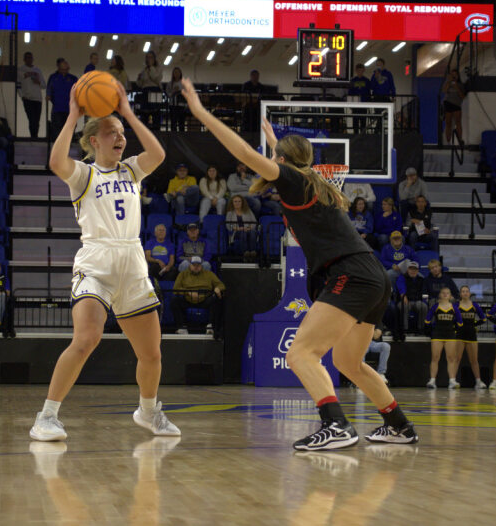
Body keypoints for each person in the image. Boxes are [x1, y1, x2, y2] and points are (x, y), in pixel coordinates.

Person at [181, 79, 418, 449]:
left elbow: (243, 152)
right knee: (348, 363)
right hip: (374, 276)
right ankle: (399, 425)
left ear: (281, 162)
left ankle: (336, 425)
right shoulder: (313, 180)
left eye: (275, 156)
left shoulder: (292, 180)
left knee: (300, 353)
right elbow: (285, 159)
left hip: (350, 275)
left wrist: (201, 113)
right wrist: (275, 141)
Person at [30, 78, 178, 443]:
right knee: (86, 339)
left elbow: (158, 154)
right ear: (94, 140)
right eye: (112, 131)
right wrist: (73, 114)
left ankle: (147, 412)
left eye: (122, 132)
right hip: (96, 261)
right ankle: (46, 416)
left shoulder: (131, 170)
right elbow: (54, 161)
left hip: (132, 263)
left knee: (152, 354)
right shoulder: (84, 174)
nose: (120, 137)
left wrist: (127, 112)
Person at [170, 256, 224, 337]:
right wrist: (188, 293)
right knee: (175, 300)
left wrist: (217, 288)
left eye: (198, 265)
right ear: (190, 265)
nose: (196, 267)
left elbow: (221, 285)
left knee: (216, 299)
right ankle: (181, 327)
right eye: (193, 265)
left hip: (204, 299)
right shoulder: (182, 274)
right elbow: (176, 288)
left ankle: (211, 326)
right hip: (188, 299)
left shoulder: (209, 274)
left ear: (201, 265)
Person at [424, 286, 463, 390]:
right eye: (443, 292)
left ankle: (452, 380)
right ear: (440, 295)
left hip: (450, 335)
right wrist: (433, 329)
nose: (445, 294)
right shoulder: (435, 306)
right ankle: (432, 380)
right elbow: (427, 320)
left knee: (451, 358)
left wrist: (454, 329)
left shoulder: (454, 307)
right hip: (437, 335)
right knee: (435, 358)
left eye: (447, 293)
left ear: (450, 296)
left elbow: (460, 322)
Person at [450, 286, 486, 390]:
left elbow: (483, 319)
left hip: (471, 334)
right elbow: (452, 318)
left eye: (467, 291)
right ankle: (452, 380)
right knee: (457, 359)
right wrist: (455, 327)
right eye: (463, 291)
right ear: (460, 294)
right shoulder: (456, 305)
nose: (465, 293)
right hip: (460, 335)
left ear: (469, 293)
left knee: (474, 360)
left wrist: (475, 324)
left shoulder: (474, 305)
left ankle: (478, 381)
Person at [46, 58, 77, 138]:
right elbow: (49, 89)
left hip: (69, 109)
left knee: (69, 128)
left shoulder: (73, 78)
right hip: (57, 109)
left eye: (65, 69)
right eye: (62, 69)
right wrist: (48, 95)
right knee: (57, 129)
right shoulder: (53, 77)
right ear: (59, 68)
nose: (64, 71)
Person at [17, 52, 45, 138]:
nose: (29, 59)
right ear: (24, 59)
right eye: (27, 58)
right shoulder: (20, 70)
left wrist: (38, 82)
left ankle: (35, 136)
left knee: (36, 120)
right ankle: (33, 136)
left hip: (38, 98)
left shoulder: (38, 70)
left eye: (30, 58)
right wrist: (22, 96)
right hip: (27, 98)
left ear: (33, 59)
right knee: (31, 119)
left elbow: (44, 85)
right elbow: (18, 85)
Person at [224, 195, 257, 262]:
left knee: (253, 232)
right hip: (236, 232)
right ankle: (245, 254)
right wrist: (237, 228)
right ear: (232, 203)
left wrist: (249, 228)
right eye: (235, 201)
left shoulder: (248, 211)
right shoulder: (230, 213)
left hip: (248, 230)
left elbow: (254, 222)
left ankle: (252, 253)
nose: (237, 203)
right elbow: (228, 225)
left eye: (239, 201)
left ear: (242, 202)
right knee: (243, 233)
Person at [441, 69, 465, 145]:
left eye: (455, 75)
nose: (454, 76)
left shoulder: (460, 85)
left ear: (458, 76)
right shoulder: (448, 83)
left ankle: (460, 139)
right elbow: (444, 91)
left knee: (458, 123)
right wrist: (449, 81)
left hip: (457, 104)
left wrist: (457, 87)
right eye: (452, 75)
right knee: (448, 123)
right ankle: (448, 141)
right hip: (448, 103)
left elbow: (462, 96)